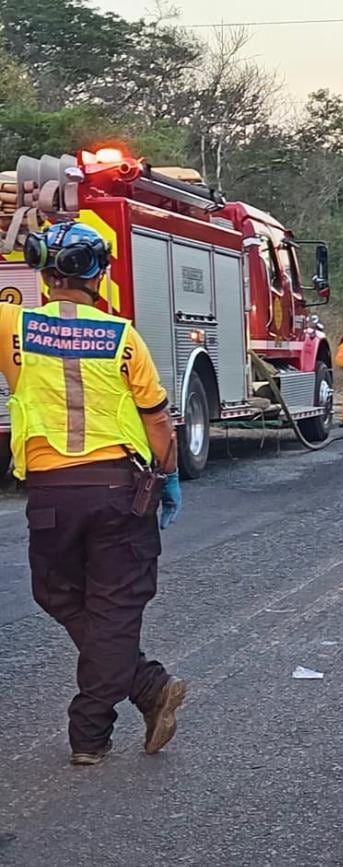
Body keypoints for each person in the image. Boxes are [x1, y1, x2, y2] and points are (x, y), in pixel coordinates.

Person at [0, 221, 186, 767]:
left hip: (52, 494)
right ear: (100, 273)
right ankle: (143, 689)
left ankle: (95, 731)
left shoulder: (12, 327)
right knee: (115, 605)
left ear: (41, 270)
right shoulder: (122, 337)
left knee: (58, 594)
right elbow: (158, 424)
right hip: (120, 490)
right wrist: (168, 474)